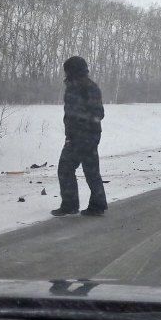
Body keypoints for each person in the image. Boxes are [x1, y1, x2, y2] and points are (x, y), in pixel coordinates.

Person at [52, 56, 108, 217]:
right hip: (75, 136)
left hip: (86, 135)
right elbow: (70, 114)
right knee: (75, 169)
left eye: (68, 70)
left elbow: (98, 113)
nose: (66, 73)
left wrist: (81, 126)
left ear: (73, 70)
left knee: (77, 169)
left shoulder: (88, 87)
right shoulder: (72, 87)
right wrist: (70, 133)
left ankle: (90, 206)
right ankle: (81, 205)